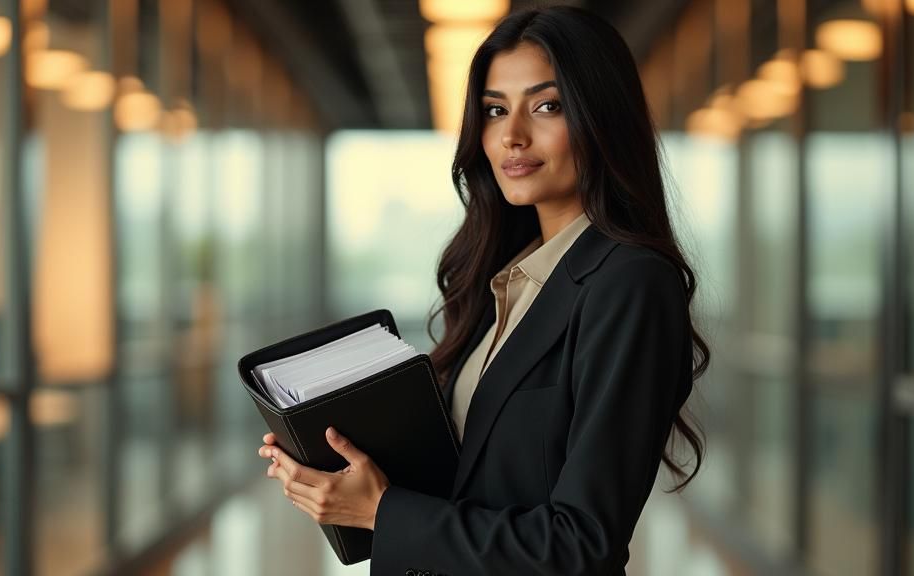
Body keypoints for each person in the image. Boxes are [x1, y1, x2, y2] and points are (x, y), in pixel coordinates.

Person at [257, 5, 710, 575]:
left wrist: (384, 511)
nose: (512, 136)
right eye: (496, 110)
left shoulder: (630, 284)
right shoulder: (502, 279)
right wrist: (340, 475)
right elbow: (476, 479)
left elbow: (584, 546)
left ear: (602, 117)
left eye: (547, 106)